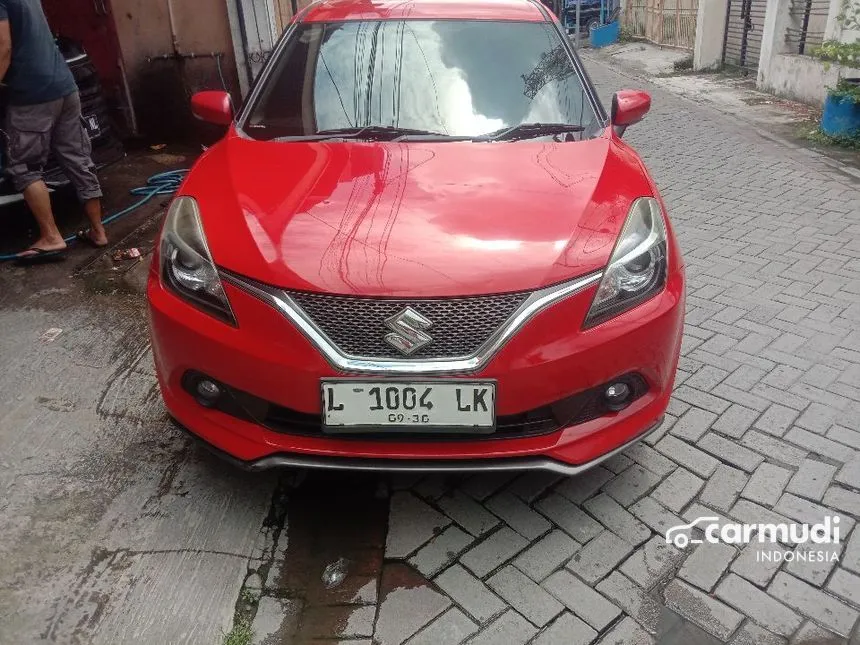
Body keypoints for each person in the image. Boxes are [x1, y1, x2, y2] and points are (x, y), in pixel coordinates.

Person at [0, 0, 107, 263]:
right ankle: (99, 231)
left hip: (32, 92)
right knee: (77, 158)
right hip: (64, 84)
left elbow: (4, 46)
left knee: (24, 168)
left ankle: (51, 237)